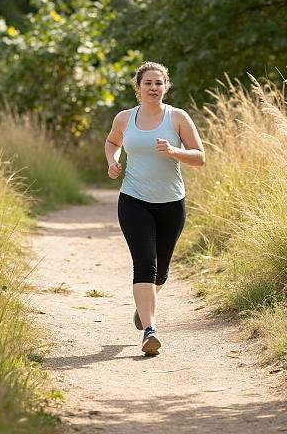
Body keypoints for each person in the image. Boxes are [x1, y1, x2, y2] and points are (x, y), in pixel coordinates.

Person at [104, 61, 205, 356]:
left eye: (158, 83)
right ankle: (150, 329)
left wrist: (174, 151)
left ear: (166, 86)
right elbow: (112, 142)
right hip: (133, 200)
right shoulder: (124, 118)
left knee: (161, 271)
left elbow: (200, 157)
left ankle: (143, 307)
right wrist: (113, 160)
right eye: (147, 83)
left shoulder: (178, 118)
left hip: (171, 203)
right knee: (144, 263)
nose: (153, 88)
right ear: (138, 88)